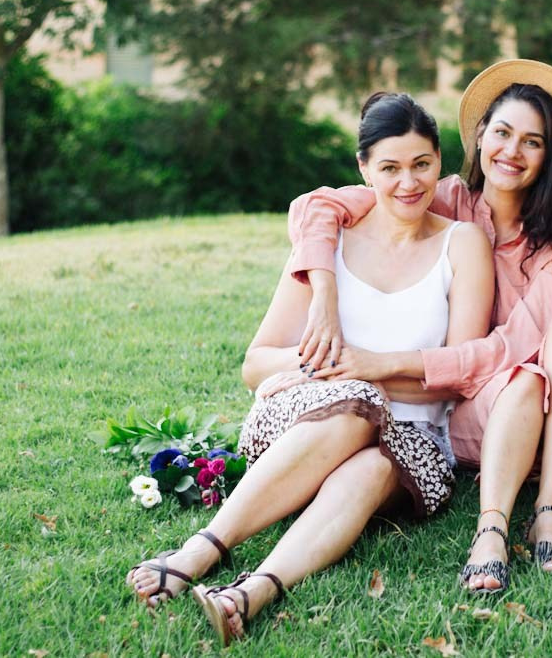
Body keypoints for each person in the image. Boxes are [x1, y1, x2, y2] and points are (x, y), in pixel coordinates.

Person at [124, 92, 494, 645]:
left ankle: (251, 593)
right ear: (364, 169)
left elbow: (458, 372)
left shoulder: (462, 245)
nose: (408, 183)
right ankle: (203, 549)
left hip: (414, 439)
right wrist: (329, 373)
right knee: (354, 411)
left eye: (421, 164)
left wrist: (366, 370)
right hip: (305, 419)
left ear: (439, 161)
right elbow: (257, 362)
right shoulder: (329, 244)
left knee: (369, 464)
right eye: (389, 167)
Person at [285, 59, 552, 594]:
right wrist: (323, 290)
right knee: (519, 382)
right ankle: (490, 529)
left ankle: (550, 509)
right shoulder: (440, 196)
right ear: (480, 137)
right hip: (480, 412)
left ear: (549, 155)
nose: (511, 152)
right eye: (502, 133)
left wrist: (389, 363)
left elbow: (514, 347)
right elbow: (318, 204)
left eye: (532, 142)